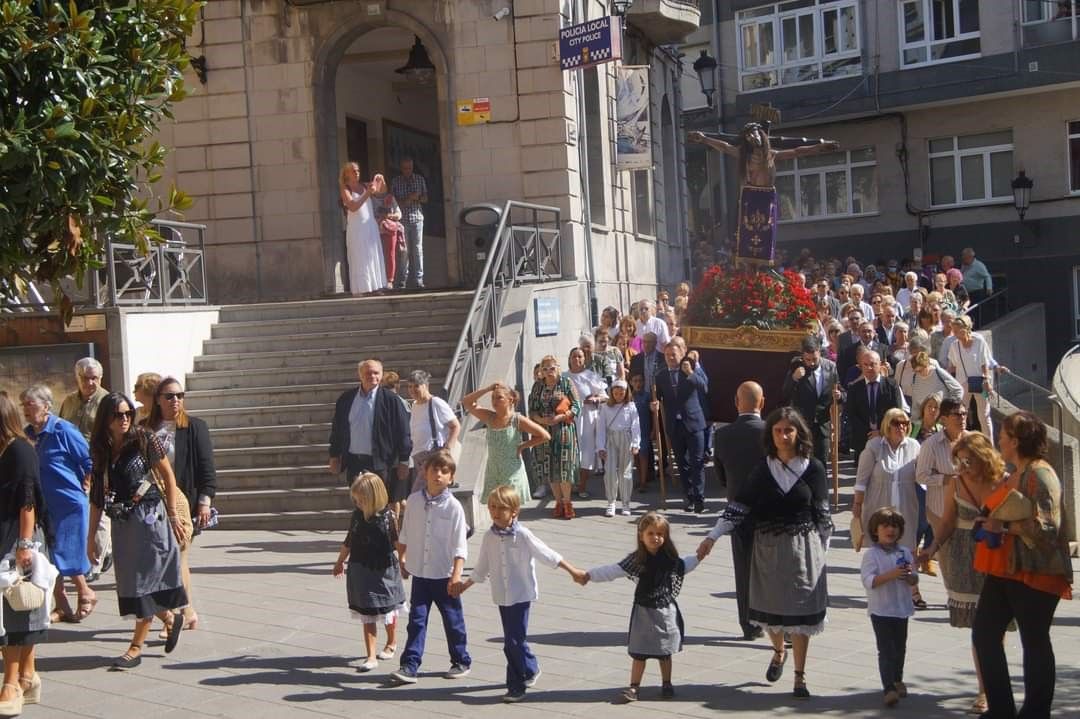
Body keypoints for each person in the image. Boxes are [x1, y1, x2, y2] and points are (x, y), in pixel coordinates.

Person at [697, 407, 832, 700]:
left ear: (799, 432)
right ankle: (778, 650)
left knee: (801, 614)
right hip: (768, 547)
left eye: (789, 430)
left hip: (803, 549)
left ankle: (800, 675)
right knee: (769, 610)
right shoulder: (763, 469)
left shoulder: (814, 468)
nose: (783, 436)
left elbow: (823, 515)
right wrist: (712, 536)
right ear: (771, 434)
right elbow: (738, 506)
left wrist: (823, 553)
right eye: (778, 430)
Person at [972, 411, 1073, 718]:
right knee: (985, 634)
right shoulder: (1016, 471)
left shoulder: (1040, 474)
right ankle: (1001, 709)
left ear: (1015, 441)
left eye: (1003, 435)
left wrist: (1001, 527)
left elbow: (1046, 528)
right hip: (1007, 570)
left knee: (1034, 641)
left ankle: (1035, 712)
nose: (998, 439)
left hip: (1036, 573)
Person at [453, 486, 581, 703]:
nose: (494, 512)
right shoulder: (489, 537)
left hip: (521, 595)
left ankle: (516, 684)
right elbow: (482, 568)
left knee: (512, 641)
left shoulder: (522, 534)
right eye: (492, 507)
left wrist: (572, 570)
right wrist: (464, 586)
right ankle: (530, 668)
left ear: (514, 511)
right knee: (516, 640)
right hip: (502, 596)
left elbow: (547, 553)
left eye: (501, 508)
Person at [88, 392, 188, 669]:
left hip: (150, 518)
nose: (124, 420)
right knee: (132, 583)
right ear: (105, 419)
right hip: (123, 523)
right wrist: (90, 538)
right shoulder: (100, 448)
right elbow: (97, 495)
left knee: (146, 581)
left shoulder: (144, 438)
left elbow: (168, 476)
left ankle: (135, 647)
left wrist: (172, 514)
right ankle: (170, 618)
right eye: (117, 415)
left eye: (128, 414)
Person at [918, 433, 1004, 714]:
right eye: (959, 460)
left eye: (968, 460)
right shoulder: (956, 482)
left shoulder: (1003, 480)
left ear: (983, 456)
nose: (963, 465)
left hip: (997, 554)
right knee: (981, 629)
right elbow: (946, 522)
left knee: (995, 627)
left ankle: (993, 685)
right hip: (964, 558)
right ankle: (985, 689)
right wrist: (931, 548)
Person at [578, 512, 702, 702]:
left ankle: (667, 683)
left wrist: (701, 554)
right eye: (651, 533)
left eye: (660, 534)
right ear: (641, 535)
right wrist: (589, 575)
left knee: (665, 652)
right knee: (639, 653)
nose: (655, 537)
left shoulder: (670, 560)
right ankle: (634, 687)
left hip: (665, 611)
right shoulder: (636, 561)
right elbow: (613, 571)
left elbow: (686, 564)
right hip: (643, 611)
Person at [390, 450, 470, 684]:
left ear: (451, 478)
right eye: (434, 469)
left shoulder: (454, 508)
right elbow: (405, 534)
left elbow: (459, 546)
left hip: (444, 575)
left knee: (453, 620)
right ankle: (410, 665)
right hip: (421, 575)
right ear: (424, 472)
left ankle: (461, 659)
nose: (438, 475)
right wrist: (403, 559)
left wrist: (456, 576)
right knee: (416, 619)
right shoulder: (414, 501)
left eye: (444, 471)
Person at [144, 377, 217, 632]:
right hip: (153, 504)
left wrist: (205, 503)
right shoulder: (146, 429)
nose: (175, 400)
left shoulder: (195, 427)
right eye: (169, 396)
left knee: (177, 558)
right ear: (158, 400)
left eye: (179, 395)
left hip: (185, 504)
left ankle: (176, 613)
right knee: (165, 559)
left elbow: (207, 469)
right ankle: (187, 610)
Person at [19, 385, 95, 623]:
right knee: (49, 554)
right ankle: (61, 605)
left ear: (46, 406)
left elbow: (88, 458)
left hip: (68, 502)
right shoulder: (27, 434)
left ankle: (85, 592)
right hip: (43, 504)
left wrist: (88, 480)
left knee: (66, 549)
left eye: (30, 404)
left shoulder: (62, 429)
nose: (26, 410)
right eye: (23, 405)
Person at [0, 392, 54, 715]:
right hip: (8, 537)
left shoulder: (19, 451)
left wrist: (24, 546)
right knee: (20, 607)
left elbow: (27, 500)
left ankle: (11, 684)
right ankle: (27, 675)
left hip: (20, 539)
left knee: (16, 612)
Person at [332, 472, 406, 672]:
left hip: (384, 569)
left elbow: (397, 541)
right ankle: (371, 655)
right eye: (356, 500)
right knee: (367, 613)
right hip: (361, 568)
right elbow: (349, 540)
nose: (358, 504)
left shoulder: (388, 517)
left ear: (374, 498)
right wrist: (340, 561)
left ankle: (391, 642)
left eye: (361, 500)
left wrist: (404, 560)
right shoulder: (357, 516)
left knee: (388, 610)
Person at [852, 408, 924, 608]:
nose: (900, 427)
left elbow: (923, 474)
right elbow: (861, 480)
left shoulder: (914, 446)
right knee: (881, 548)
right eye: (896, 423)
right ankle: (879, 585)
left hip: (906, 505)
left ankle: (914, 590)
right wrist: (857, 506)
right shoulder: (874, 446)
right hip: (879, 505)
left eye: (904, 424)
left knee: (908, 548)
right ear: (887, 425)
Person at [712, 381, 766, 640]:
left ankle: (749, 623)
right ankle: (774, 618)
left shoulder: (722, 435)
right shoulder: (772, 433)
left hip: (738, 511)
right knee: (772, 567)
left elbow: (720, 476)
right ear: (762, 403)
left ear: (736, 403)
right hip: (770, 510)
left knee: (743, 568)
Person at [328, 359, 412, 517]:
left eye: (376, 373)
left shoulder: (391, 400)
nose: (372, 376)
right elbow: (337, 429)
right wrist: (334, 455)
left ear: (381, 375)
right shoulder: (347, 399)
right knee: (359, 503)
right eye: (368, 373)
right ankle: (361, 537)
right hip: (354, 461)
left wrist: (404, 461)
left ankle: (383, 537)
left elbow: (403, 432)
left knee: (380, 505)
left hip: (380, 462)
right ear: (360, 375)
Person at [58, 356, 112, 582]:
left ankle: (95, 563)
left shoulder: (107, 400)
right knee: (82, 512)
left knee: (97, 512)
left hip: (97, 463)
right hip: (71, 466)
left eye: (94, 378)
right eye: (85, 378)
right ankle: (102, 551)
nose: (90, 383)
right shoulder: (69, 401)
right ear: (77, 378)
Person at [860, 507, 918, 707]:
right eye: (885, 526)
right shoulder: (871, 555)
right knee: (885, 649)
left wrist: (911, 577)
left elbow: (913, 578)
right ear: (876, 530)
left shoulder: (904, 552)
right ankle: (888, 688)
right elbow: (869, 581)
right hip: (881, 610)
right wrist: (891, 575)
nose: (890, 530)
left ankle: (897, 678)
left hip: (901, 608)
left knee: (900, 647)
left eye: (894, 526)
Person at [461, 382, 549, 502]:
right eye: (493, 398)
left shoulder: (517, 419)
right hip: (493, 471)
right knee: (496, 510)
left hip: (512, 471)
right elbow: (466, 402)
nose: (494, 401)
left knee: (510, 508)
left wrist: (523, 446)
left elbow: (544, 436)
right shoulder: (489, 417)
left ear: (510, 400)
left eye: (499, 398)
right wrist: (488, 389)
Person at [651, 337, 708, 513]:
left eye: (674, 355)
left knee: (697, 461)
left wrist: (691, 372)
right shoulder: (660, 375)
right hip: (674, 426)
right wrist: (654, 405)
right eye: (667, 355)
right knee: (682, 464)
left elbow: (704, 387)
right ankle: (689, 497)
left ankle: (699, 498)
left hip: (694, 422)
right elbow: (657, 396)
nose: (670, 358)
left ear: (681, 354)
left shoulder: (689, 369)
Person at [528, 356, 581, 519]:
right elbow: (532, 409)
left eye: (551, 368)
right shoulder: (538, 387)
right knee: (549, 468)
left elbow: (577, 406)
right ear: (541, 372)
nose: (549, 372)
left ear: (557, 368)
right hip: (544, 432)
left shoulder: (566, 383)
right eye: (545, 369)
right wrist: (541, 420)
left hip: (564, 430)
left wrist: (562, 416)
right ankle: (558, 502)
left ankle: (567, 502)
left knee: (564, 468)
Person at [782, 336, 840, 464]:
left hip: (822, 424)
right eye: (808, 360)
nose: (812, 363)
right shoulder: (796, 367)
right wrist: (794, 378)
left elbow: (840, 390)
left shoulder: (831, 367)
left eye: (815, 359)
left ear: (819, 352)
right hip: (802, 424)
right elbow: (785, 393)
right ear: (803, 356)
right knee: (802, 461)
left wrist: (839, 395)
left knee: (821, 462)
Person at [339, 162, 388, 295]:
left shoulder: (365, 185)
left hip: (370, 227)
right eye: (353, 171)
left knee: (372, 257)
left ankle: (376, 287)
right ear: (347, 174)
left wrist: (380, 180)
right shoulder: (345, 189)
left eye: (358, 170)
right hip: (356, 229)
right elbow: (353, 206)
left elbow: (382, 191)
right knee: (360, 258)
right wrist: (367, 193)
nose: (357, 173)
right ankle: (362, 289)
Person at [846, 350, 906, 458]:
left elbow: (896, 412)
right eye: (866, 365)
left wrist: (881, 431)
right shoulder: (854, 388)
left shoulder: (891, 385)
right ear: (861, 367)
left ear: (880, 365)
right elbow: (851, 414)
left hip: (887, 437)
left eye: (873, 364)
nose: (869, 368)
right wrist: (869, 433)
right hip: (863, 440)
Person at [564, 347, 607, 499]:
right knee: (570, 452)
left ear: (584, 359)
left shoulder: (591, 376)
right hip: (569, 417)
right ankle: (570, 486)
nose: (577, 359)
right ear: (569, 359)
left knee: (586, 452)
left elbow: (605, 396)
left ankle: (582, 486)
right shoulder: (564, 377)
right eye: (574, 356)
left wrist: (595, 399)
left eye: (580, 356)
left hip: (587, 418)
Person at [596, 380, 640, 517]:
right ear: (611, 393)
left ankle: (625, 503)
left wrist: (635, 444)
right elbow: (601, 428)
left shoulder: (631, 406)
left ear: (626, 393)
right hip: (610, 439)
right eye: (616, 393)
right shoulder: (605, 407)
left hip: (626, 439)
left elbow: (636, 426)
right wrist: (600, 447)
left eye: (621, 393)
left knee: (625, 472)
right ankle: (611, 502)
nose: (619, 395)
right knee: (609, 472)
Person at [946, 315, 995, 440]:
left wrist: (987, 381)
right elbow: (952, 366)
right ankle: (962, 441)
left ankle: (989, 444)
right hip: (962, 383)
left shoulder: (979, 341)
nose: (955, 334)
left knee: (984, 415)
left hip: (981, 382)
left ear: (966, 328)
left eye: (957, 330)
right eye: (954, 331)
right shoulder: (954, 346)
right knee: (961, 414)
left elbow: (984, 362)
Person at [405, 370, 460, 475]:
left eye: (416, 386)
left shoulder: (436, 403)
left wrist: (447, 449)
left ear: (425, 386)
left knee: (421, 490)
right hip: (418, 457)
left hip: (433, 455)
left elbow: (455, 426)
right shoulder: (415, 405)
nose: (412, 390)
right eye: (409, 387)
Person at [390, 157, 428, 290]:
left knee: (418, 250)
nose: (408, 171)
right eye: (405, 168)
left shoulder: (419, 179)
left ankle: (419, 280)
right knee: (403, 251)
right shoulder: (395, 182)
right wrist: (407, 199)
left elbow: (425, 198)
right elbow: (392, 202)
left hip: (417, 219)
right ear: (401, 168)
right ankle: (402, 281)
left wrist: (417, 198)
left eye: (410, 168)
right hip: (402, 220)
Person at [371, 173, 404, 288]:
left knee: (390, 255)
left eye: (382, 181)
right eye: (377, 181)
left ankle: (390, 280)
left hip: (389, 230)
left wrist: (388, 216)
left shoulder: (390, 198)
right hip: (375, 231)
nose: (380, 184)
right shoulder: (369, 199)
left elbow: (399, 214)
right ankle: (378, 280)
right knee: (376, 255)